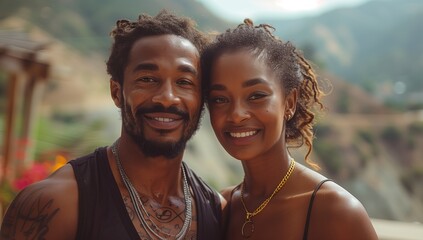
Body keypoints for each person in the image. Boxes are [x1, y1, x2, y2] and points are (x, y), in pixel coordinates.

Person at [0, 10, 223, 240]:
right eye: (147, 79)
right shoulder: (53, 204)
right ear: (117, 92)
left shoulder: (218, 212)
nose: (167, 97)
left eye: (184, 82)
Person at [201, 19, 378, 240]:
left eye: (256, 96)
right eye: (220, 99)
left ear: (290, 102)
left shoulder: (336, 212)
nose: (237, 114)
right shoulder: (222, 208)